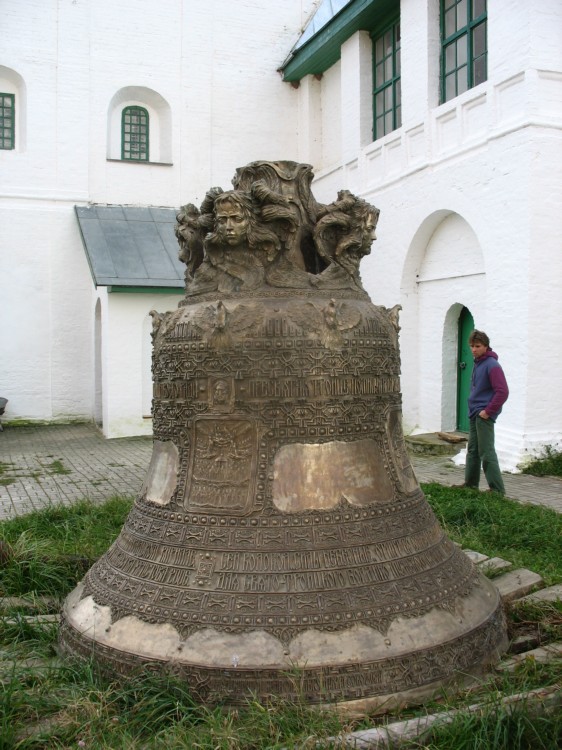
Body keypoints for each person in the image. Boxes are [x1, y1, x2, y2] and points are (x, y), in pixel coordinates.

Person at [462, 329, 509, 494]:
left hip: (483, 415)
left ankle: (497, 490)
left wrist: (488, 411)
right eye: (471, 346)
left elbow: (502, 391)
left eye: (477, 346)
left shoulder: (492, 365)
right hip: (474, 413)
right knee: (473, 450)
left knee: (486, 452)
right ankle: (470, 485)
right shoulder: (478, 363)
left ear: (486, 346)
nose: (474, 349)